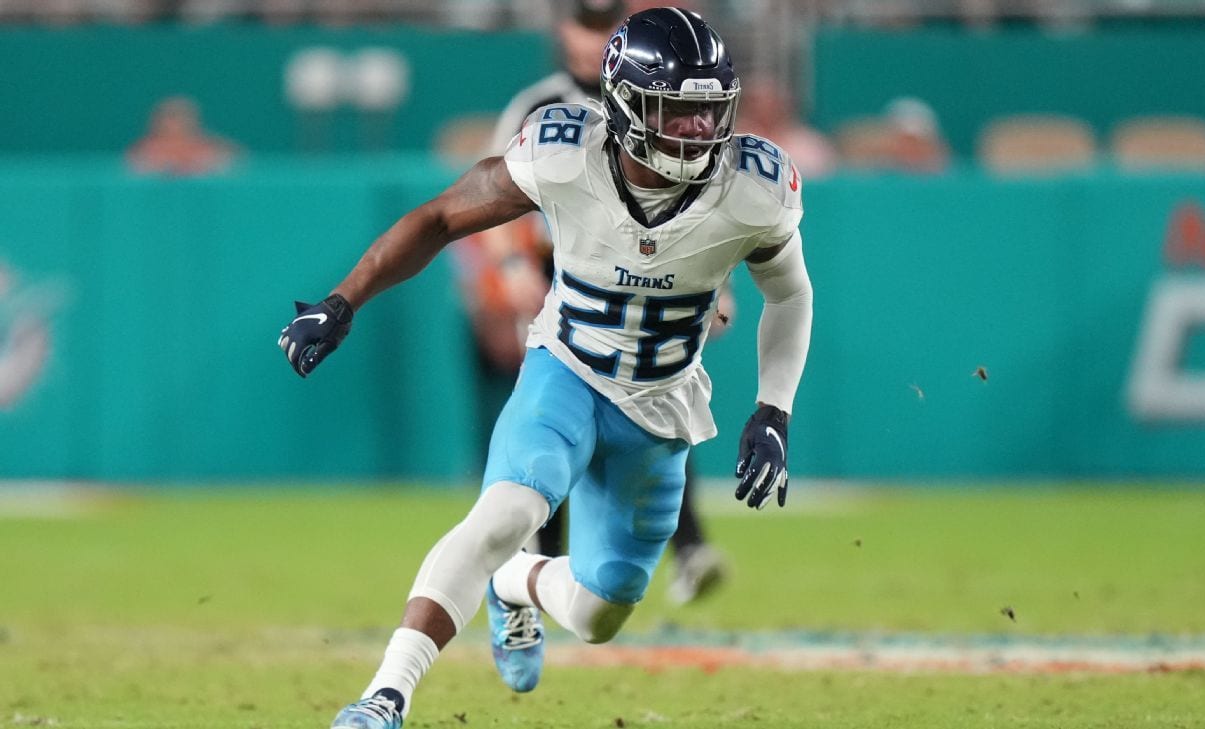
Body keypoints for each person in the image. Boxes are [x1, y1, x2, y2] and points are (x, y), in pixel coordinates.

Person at [278, 9, 812, 729]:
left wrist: (773, 408)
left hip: (658, 406)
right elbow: (440, 218)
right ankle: (385, 696)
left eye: (706, 111)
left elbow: (789, 294)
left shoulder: (753, 185)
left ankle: (516, 581)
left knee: (599, 612)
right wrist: (346, 299)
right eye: (675, 111)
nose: (695, 130)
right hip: (565, 370)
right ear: (624, 104)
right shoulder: (565, 153)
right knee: (504, 512)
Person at [460, 0, 730, 607]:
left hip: (647, 269)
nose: (592, 40)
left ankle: (686, 548)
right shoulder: (540, 102)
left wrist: (719, 284)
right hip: (559, 270)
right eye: (584, 26)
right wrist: (508, 265)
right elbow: (492, 192)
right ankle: (536, 564)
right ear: (564, 31)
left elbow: (707, 204)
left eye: (604, 27)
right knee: (551, 425)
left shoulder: (671, 97)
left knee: (656, 405)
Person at [126, 96, 238, 176]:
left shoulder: (209, 145)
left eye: (184, 117)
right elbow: (134, 169)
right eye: (171, 117)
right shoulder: (144, 148)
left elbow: (234, 163)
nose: (177, 124)